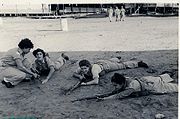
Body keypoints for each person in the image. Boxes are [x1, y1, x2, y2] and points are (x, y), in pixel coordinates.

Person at [101, 72, 178, 100]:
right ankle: (170, 74)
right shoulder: (125, 79)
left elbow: (119, 95)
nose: (115, 87)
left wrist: (105, 99)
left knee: (174, 88)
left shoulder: (131, 87)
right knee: (160, 77)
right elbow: (117, 90)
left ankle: (171, 75)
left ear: (121, 83)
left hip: (153, 86)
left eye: (115, 85)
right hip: (147, 79)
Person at [73, 57, 148, 86]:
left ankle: (138, 63)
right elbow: (74, 73)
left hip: (105, 67)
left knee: (121, 65)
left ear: (88, 66)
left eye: (85, 69)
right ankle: (116, 58)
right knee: (111, 61)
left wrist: (85, 84)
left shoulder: (94, 69)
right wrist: (79, 76)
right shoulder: (81, 68)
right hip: (100, 62)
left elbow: (96, 81)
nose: (83, 70)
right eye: (82, 69)